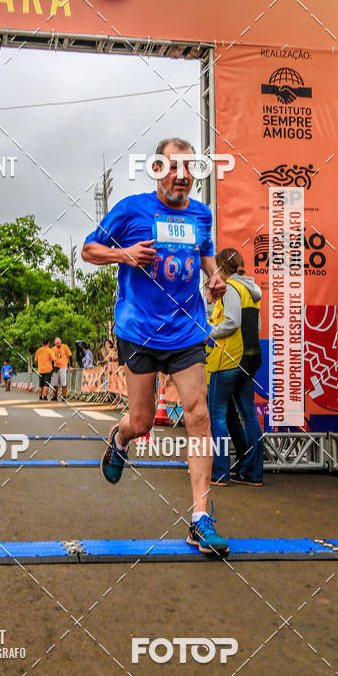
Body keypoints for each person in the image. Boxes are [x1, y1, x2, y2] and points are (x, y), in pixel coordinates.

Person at [82, 136, 230, 556]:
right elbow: (88, 250)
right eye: (174, 168)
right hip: (140, 331)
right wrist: (124, 254)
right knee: (143, 421)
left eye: (189, 169)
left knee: (198, 414)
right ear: (158, 171)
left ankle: (200, 519)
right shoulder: (132, 210)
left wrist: (215, 279)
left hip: (186, 332)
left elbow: (207, 259)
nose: (182, 177)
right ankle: (120, 439)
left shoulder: (201, 216)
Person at [206, 248, 263, 486]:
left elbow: (231, 322)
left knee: (216, 415)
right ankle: (252, 473)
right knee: (248, 414)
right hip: (249, 360)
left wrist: (208, 332)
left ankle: (219, 472)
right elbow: (256, 327)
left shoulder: (229, 288)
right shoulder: (252, 291)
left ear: (222, 269)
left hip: (228, 360)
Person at [50, 337, 72, 401]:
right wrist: (51, 368)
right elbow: (51, 359)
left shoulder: (65, 347)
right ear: (55, 343)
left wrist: (71, 366)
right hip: (55, 367)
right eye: (57, 343)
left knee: (63, 383)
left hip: (63, 367)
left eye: (59, 343)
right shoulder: (53, 349)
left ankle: (64, 396)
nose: (58, 344)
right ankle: (55, 396)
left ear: (61, 342)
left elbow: (70, 356)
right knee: (55, 383)